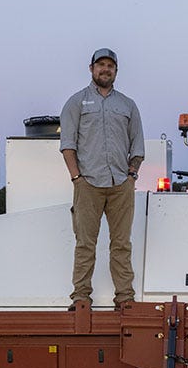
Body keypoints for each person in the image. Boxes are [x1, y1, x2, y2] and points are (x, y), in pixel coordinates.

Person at [60, 47, 145, 309]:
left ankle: (125, 298)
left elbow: (138, 146)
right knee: (85, 243)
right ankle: (81, 297)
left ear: (116, 71)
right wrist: (77, 178)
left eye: (110, 66)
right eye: (101, 65)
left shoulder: (127, 105)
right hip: (88, 185)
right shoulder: (76, 102)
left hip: (121, 184)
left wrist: (131, 175)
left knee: (121, 244)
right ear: (91, 69)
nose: (105, 69)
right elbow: (67, 145)